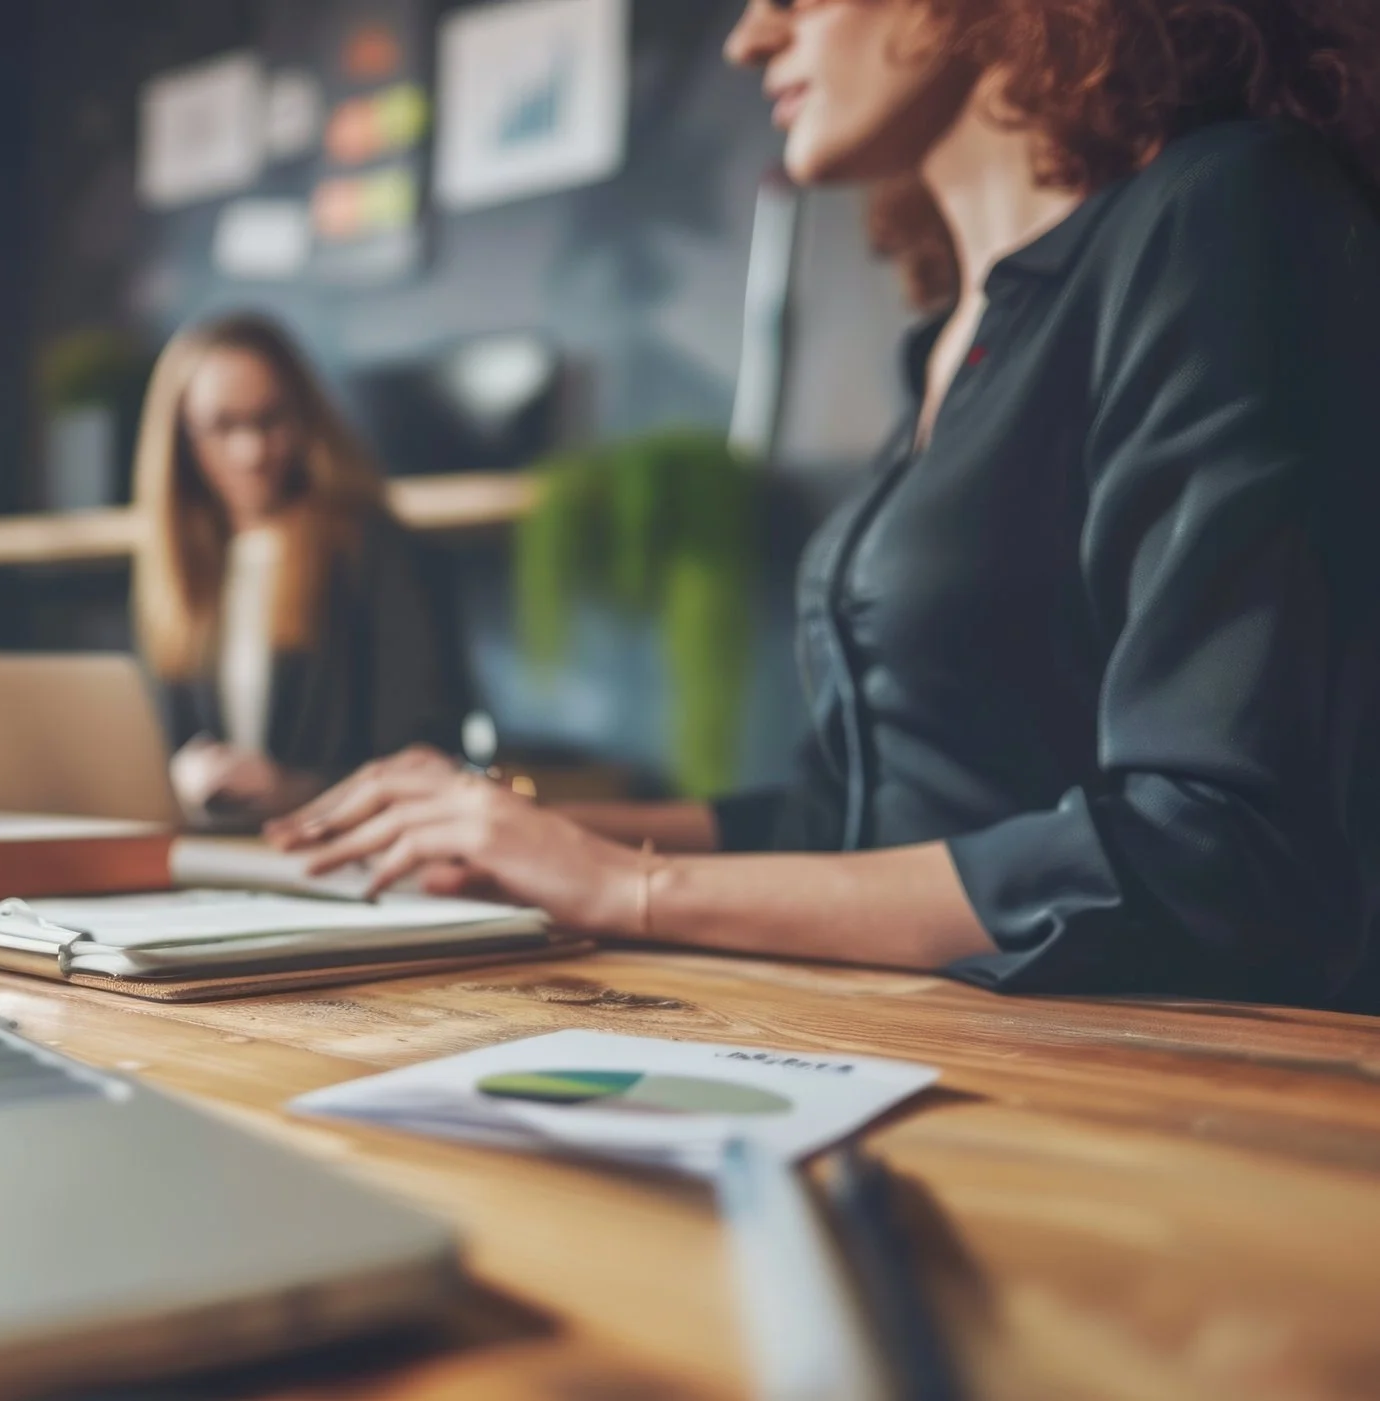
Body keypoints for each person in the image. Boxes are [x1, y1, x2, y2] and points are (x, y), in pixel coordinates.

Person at [275, 0, 1380, 1012]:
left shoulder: (1222, 212)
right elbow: (844, 819)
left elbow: (1221, 849)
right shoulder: (953, 339)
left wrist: (625, 888)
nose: (749, 38)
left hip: (1151, 1079)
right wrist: (503, 825)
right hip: (913, 1020)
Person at [131, 312, 469, 825]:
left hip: (345, 856)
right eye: (222, 426)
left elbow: (427, 753)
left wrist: (295, 790)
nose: (252, 451)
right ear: (182, 439)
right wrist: (178, 779)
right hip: (214, 858)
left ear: (304, 418)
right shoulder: (175, 572)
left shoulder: (372, 552)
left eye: (270, 420)